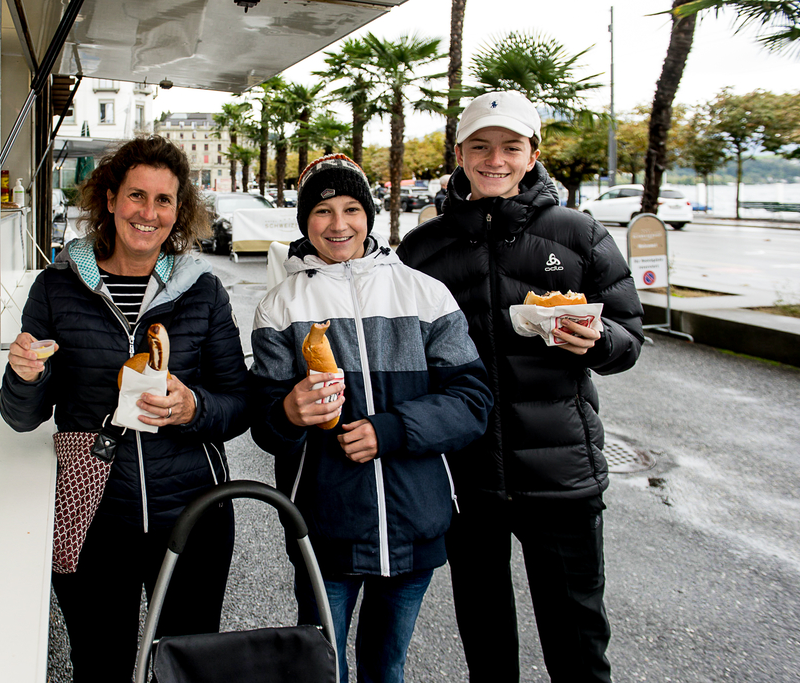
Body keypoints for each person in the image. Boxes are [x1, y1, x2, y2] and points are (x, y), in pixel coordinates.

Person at [397, 91, 645, 683]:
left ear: (533, 154)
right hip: (465, 474)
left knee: (577, 634)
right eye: (480, 146)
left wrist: (599, 340)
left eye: (511, 146)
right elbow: (402, 354)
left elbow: (630, 337)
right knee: (484, 632)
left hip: (561, 472)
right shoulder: (422, 249)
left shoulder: (580, 235)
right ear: (458, 153)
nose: (495, 159)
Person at [0, 136, 249, 682]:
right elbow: (23, 415)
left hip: (192, 513)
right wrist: (24, 376)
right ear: (110, 199)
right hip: (93, 514)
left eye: (164, 201)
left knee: (185, 663)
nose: (149, 213)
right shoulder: (57, 288)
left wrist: (194, 407)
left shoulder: (202, 290)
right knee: (99, 662)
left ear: (179, 211)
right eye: (137, 196)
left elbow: (239, 403)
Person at [248, 154, 493, 683]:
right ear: (303, 221)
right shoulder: (280, 307)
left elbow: (473, 400)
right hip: (326, 528)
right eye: (322, 211)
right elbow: (266, 428)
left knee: (387, 669)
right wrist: (289, 412)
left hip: (417, 524)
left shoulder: (423, 293)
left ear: (370, 215)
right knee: (320, 670)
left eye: (352, 208)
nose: (338, 225)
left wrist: (394, 429)